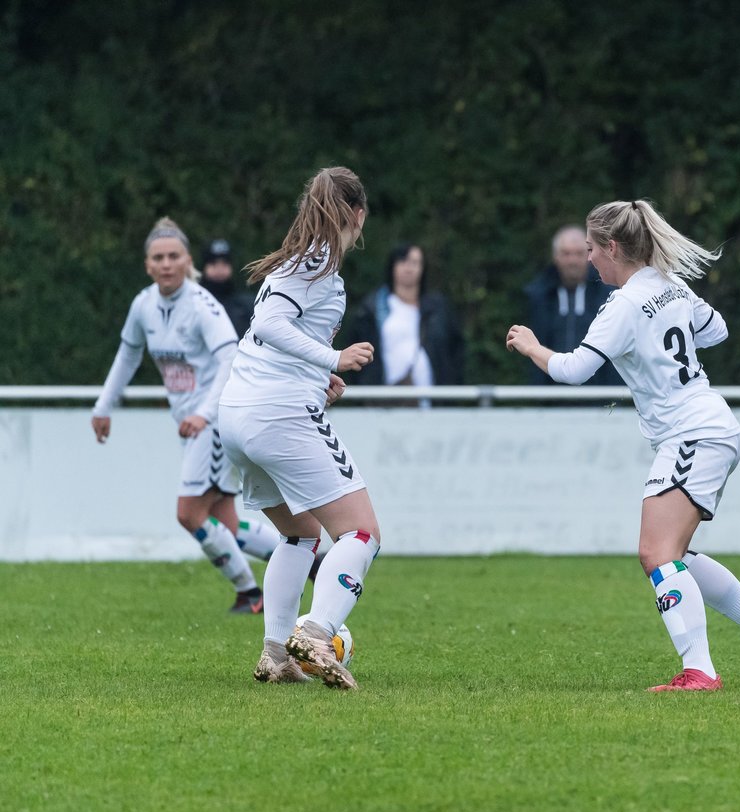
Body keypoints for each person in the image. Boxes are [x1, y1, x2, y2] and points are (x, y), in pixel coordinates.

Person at [506, 199, 740, 692]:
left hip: (692, 433)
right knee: (675, 552)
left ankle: (699, 671)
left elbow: (574, 371)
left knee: (655, 554)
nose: (590, 259)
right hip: (710, 425)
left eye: (592, 249)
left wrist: (534, 347)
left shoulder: (622, 306)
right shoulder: (669, 285)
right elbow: (718, 331)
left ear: (612, 247)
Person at [219, 166, 380, 689]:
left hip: (240, 414)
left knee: (298, 533)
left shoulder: (300, 261)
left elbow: (269, 340)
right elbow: (268, 325)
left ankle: (276, 652)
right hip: (276, 412)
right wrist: (333, 356)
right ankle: (315, 633)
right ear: (358, 212)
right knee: (361, 532)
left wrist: (318, 375)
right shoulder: (316, 262)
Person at [92, 217, 266, 613]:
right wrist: (104, 406)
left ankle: (250, 592)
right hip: (191, 425)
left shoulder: (202, 304)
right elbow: (128, 354)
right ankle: (306, 563)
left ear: (188, 261)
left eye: (173, 256)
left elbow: (230, 356)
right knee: (224, 521)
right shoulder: (144, 304)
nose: (166, 264)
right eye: (158, 258)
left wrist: (205, 414)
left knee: (188, 513)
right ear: (147, 265)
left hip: (215, 421)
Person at [346, 242, 466, 401]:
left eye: (415, 262)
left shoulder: (438, 308)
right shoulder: (373, 308)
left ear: (423, 268)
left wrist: (451, 385)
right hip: (384, 403)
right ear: (393, 266)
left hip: (434, 402)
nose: (409, 267)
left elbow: (456, 349)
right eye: (403, 261)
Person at [522, 225, 623, 386]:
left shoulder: (610, 296)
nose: (572, 261)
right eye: (566, 253)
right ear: (555, 256)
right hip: (551, 398)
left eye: (579, 253)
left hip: (599, 396)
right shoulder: (539, 296)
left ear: (589, 255)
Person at [199, 238, 254, 337]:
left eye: (225, 263)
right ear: (204, 266)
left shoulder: (245, 306)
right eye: (213, 263)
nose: (219, 269)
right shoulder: (195, 301)